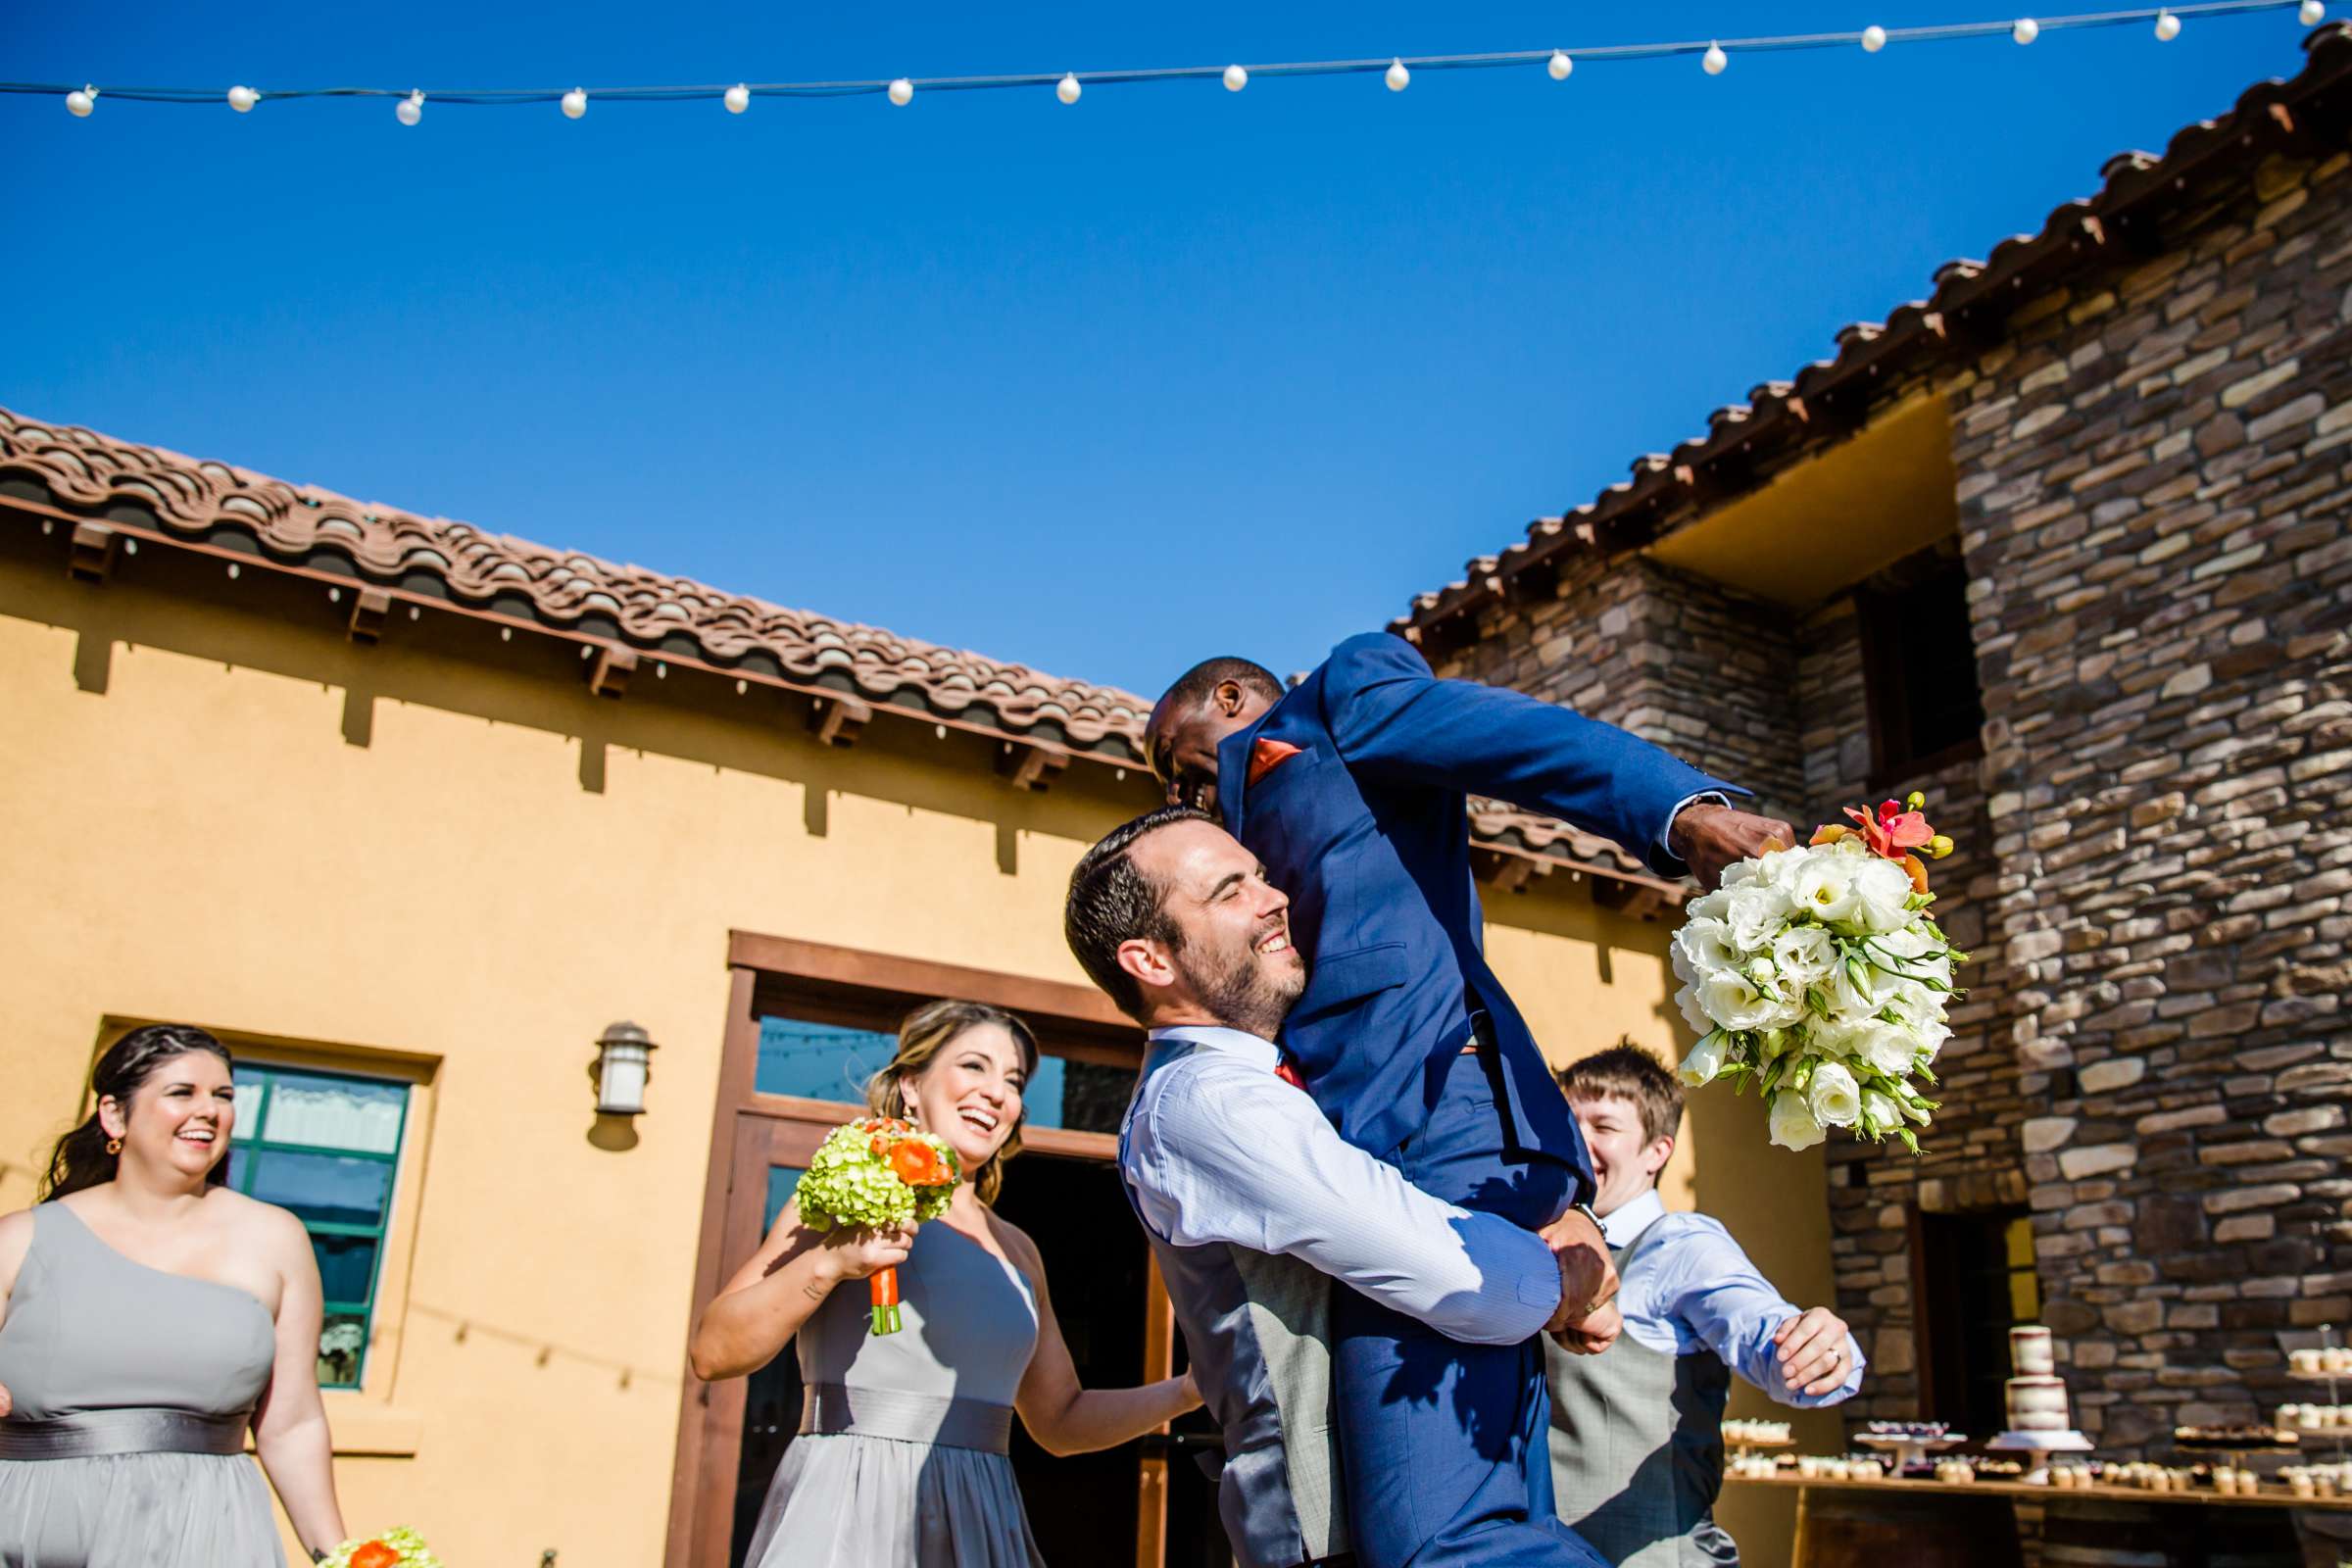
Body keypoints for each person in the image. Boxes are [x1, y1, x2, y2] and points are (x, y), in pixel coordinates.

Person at [1144, 637, 1794, 1568]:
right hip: (1396, 1167)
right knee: (1492, 1530)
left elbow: (1509, 738)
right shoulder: (1232, 866)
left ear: (1237, 695)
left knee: (1436, 1544)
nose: (1176, 789)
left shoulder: (1333, 702)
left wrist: (1683, 814)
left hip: (1444, 1133)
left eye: (1174, 756)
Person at [1065, 807, 1621, 1568]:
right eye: (1231, 891)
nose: (1274, 897)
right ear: (1151, 961)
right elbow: (1438, 1263)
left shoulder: (1282, 1078)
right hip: (1330, 1536)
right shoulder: (1202, 1102)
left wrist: (1575, 1217)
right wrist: (1566, 1278)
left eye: (1260, 875)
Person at [689, 999, 1200, 1568]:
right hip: (849, 1507)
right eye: (974, 1067)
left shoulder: (1018, 1250)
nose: (998, 1093)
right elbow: (714, 1350)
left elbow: (1061, 1420)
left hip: (980, 1518)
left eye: (1013, 1081)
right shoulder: (851, 1193)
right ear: (911, 1084)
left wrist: (1185, 1391)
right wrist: (829, 1264)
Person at [0, 1024, 349, 1565]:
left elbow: (292, 1422)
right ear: (115, 1115)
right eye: (182, 1093)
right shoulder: (20, 1239)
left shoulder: (276, 1239)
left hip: (204, 1532)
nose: (209, 1110)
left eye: (224, 1096)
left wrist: (342, 1557)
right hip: (30, 1526)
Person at [1547, 1046, 1864, 1567]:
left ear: (1657, 1151)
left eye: (1603, 1126)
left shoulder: (1679, 1244)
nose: (1579, 1141)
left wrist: (1821, 1352)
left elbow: (1762, 1332)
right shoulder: (1544, 1245)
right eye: (1568, 1121)